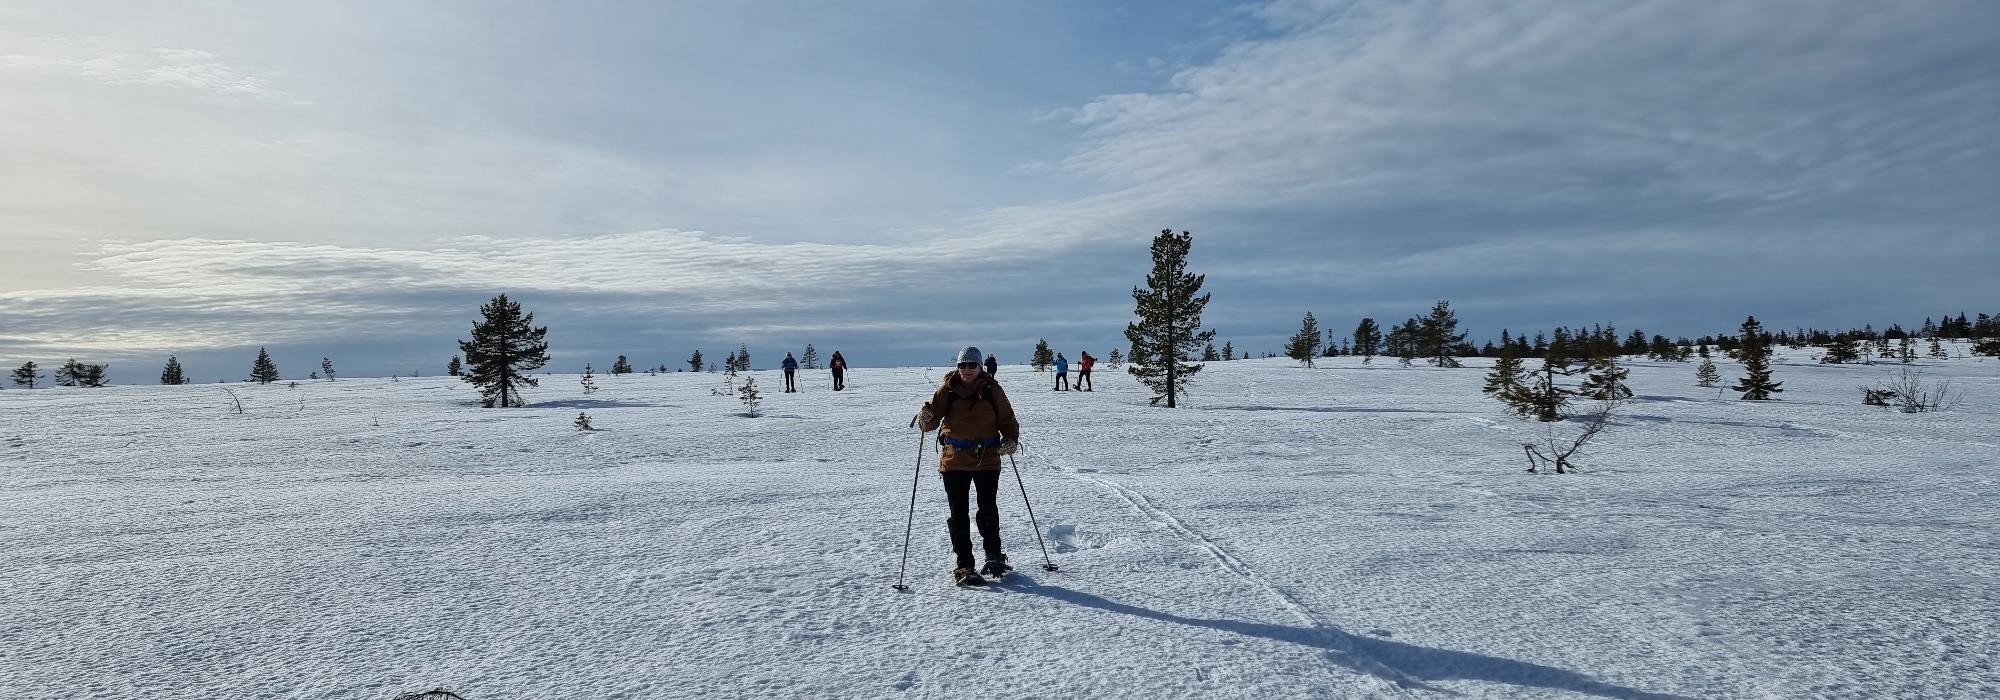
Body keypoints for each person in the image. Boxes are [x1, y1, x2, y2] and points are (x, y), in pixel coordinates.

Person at [914, 346, 1020, 585]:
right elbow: (930, 423)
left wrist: (1011, 440)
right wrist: (925, 418)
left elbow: (1007, 418)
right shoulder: (947, 389)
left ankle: (994, 556)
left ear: (980, 367)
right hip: (954, 461)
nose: (967, 369)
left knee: (988, 509)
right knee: (958, 513)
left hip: (988, 459)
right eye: (962, 365)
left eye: (972, 365)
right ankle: (964, 565)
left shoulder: (993, 389)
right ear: (957, 367)